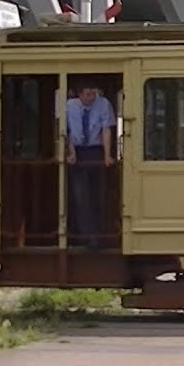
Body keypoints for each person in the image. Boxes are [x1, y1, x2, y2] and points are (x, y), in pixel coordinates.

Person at [65, 85, 116, 249]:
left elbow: (106, 130)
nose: (91, 97)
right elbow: (65, 132)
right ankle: (87, 237)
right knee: (81, 196)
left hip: (96, 152)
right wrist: (71, 153)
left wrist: (107, 155)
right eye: (88, 94)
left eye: (94, 94)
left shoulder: (103, 104)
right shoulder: (69, 106)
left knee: (97, 195)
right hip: (78, 152)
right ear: (79, 94)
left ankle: (97, 235)